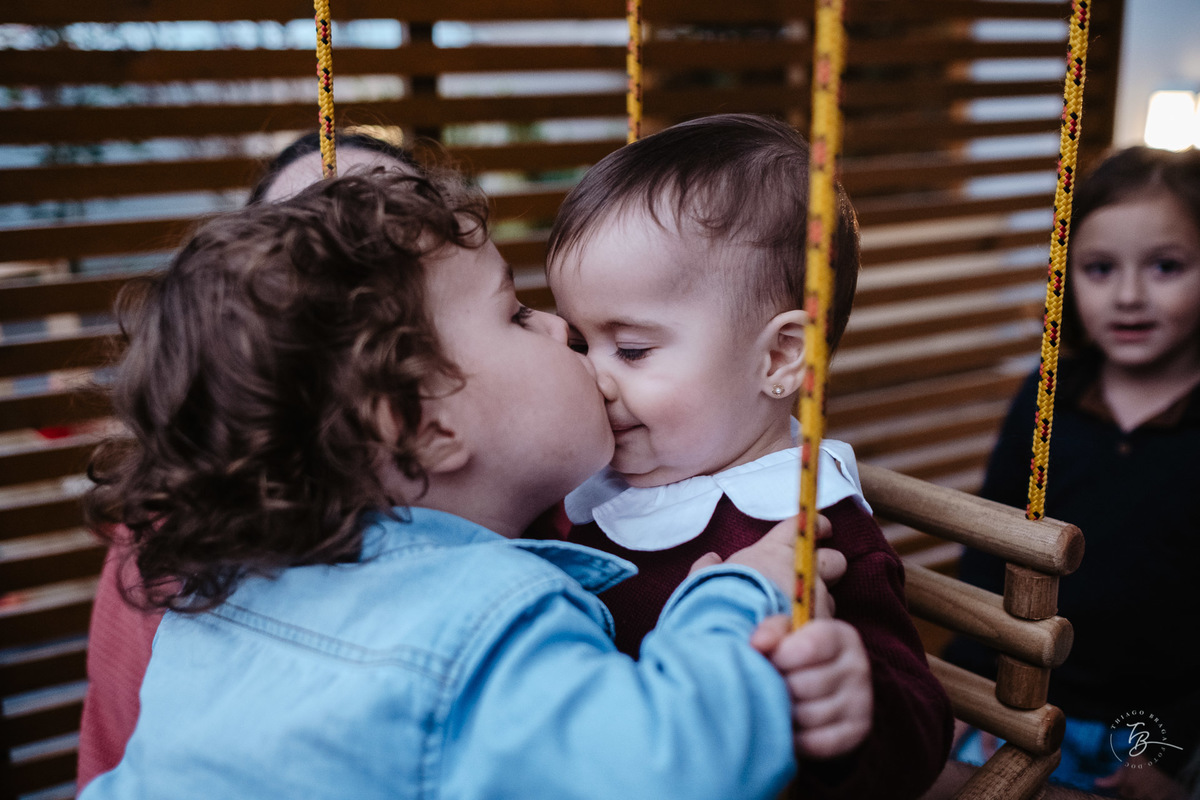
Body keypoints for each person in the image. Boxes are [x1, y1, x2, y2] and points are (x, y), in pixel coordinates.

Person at [79, 168, 811, 798]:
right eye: (515, 313)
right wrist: (737, 598)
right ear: (421, 424)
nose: (561, 329)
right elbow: (679, 771)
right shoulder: (481, 627)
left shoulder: (222, 600)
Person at [545, 113, 954, 799]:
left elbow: (918, 729)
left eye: (633, 349)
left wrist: (849, 704)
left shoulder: (804, 527)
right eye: (583, 344)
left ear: (779, 357)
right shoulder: (586, 480)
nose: (594, 375)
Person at [75, 130, 422, 790]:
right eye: (303, 263)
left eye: (397, 253)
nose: (354, 306)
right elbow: (114, 756)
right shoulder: (165, 549)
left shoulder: (568, 498)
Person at [945, 146, 1200, 798]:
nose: (1130, 296)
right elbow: (988, 553)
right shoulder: (1044, 396)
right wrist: (962, 689)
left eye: (1167, 267)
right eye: (1099, 269)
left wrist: (1168, 753)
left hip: (1153, 731)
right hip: (1021, 702)